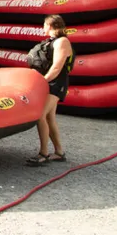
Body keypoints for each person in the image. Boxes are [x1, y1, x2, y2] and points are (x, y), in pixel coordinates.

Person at [26, 14, 73, 166]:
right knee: (49, 118)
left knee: (40, 115)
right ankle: (59, 152)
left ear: (50, 26)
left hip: (56, 83)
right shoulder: (52, 42)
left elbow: (57, 66)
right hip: (50, 81)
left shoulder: (62, 42)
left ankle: (43, 153)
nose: (43, 28)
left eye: (44, 25)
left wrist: (43, 80)